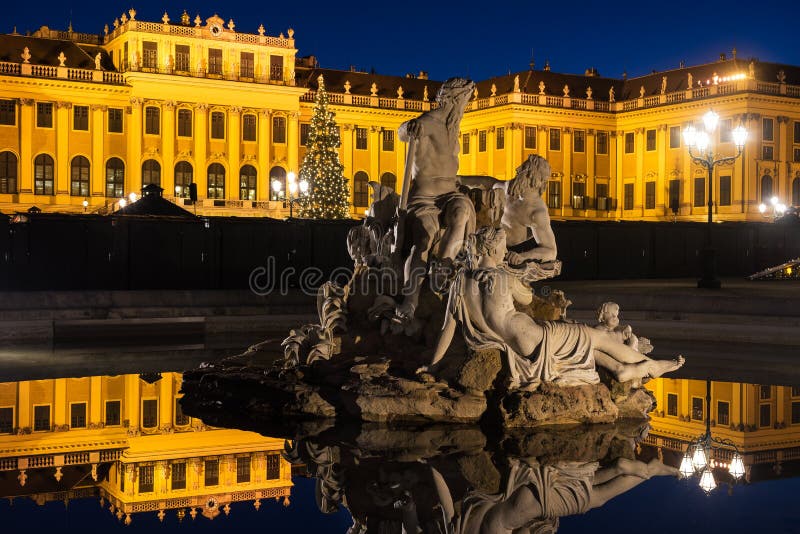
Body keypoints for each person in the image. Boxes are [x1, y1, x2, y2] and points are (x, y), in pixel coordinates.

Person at [420, 227, 683, 390]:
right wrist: (523, 269)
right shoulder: (501, 276)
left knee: (588, 344)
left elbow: (448, 327)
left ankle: (622, 370)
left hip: (518, 343)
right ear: (492, 248)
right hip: (535, 338)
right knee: (596, 336)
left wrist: (432, 365)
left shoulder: (459, 282)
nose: (505, 251)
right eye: (502, 247)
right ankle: (650, 365)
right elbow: (526, 298)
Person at [394, 78, 477, 323]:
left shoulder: (454, 128)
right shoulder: (429, 121)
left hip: (450, 194)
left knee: (462, 212)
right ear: (453, 99)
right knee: (424, 239)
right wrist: (409, 128)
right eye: (463, 101)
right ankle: (411, 298)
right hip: (424, 199)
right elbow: (402, 132)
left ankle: (444, 266)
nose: (464, 107)